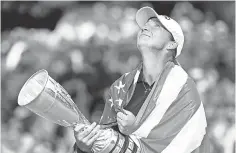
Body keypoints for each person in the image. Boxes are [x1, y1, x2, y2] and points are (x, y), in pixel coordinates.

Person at [72, 6, 211, 153]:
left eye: (156, 26)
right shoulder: (121, 86)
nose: (145, 28)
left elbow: (186, 145)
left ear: (171, 45)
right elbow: (107, 141)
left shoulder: (182, 89)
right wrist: (84, 147)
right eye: (145, 25)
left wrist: (136, 128)